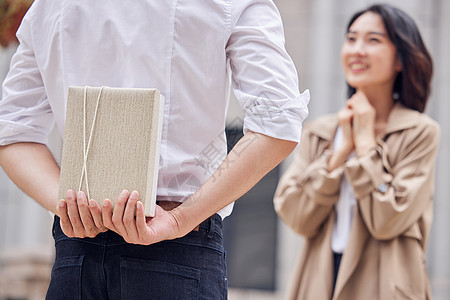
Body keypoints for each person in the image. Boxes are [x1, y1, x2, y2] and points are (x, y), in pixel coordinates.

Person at [0, 0, 309, 299]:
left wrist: (68, 203)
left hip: (79, 248)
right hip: (176, 243)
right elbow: (278, 124)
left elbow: (12, 132)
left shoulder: (49, 5)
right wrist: (181, 219)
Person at [274, 3, 439, 300]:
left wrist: (365, 147)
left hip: (387, 284)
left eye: (373, 40)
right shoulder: (321, 131)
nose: (357, 50)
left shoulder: (419, 132)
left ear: (401, 58)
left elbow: (389, 219)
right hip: (319, 279)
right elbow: (294, 214)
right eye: (351, 39)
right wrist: (339, 154)